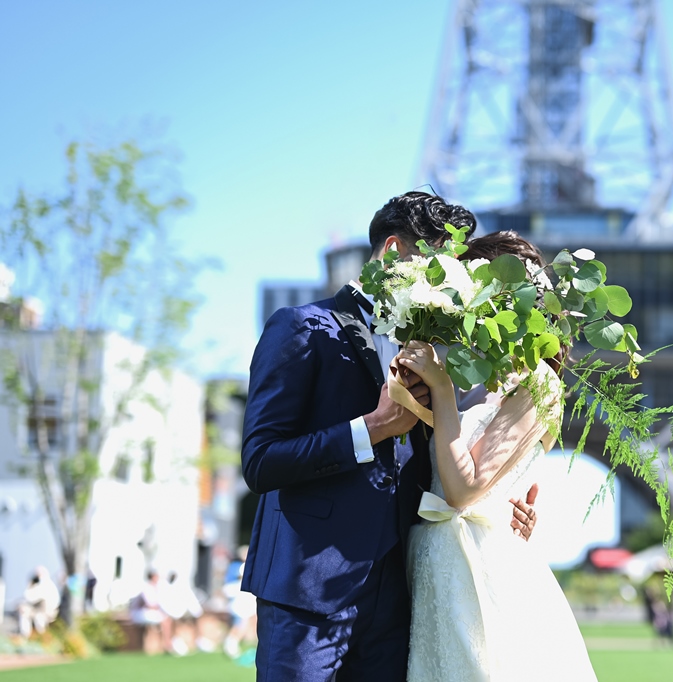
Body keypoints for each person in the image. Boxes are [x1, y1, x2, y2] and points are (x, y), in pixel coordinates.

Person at [240, 192, 539, 681]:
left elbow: (449, 462)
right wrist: (373, 428)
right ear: (394, 251)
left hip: (401, 595)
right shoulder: (301, 328)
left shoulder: (437, 351)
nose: (452, 284)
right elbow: (260, 461)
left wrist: (496, 503)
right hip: (306, 590)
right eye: (439, 264)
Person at [399, 230, 597, 680]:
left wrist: (442, 390)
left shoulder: (538, 382)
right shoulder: (468, 376)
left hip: (478, 563)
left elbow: (464, 488)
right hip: (437, 557)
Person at [129, 568, 174, 654]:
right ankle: (167, 645)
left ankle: (167, 644)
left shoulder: (156, 588)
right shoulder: (147, 588)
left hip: (146, 613)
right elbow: (150, 605)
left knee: (167, 620)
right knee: (165, 620)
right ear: (153, 577)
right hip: (139, 613)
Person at [16, 566, 61, 639]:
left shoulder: (44, 584)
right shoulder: (48, 584)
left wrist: (30, 584)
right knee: (26, 611)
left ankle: (26, 636)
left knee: (25, 612)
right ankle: (29, 636)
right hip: (43, 610)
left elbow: (29, 597)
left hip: (46, 613)